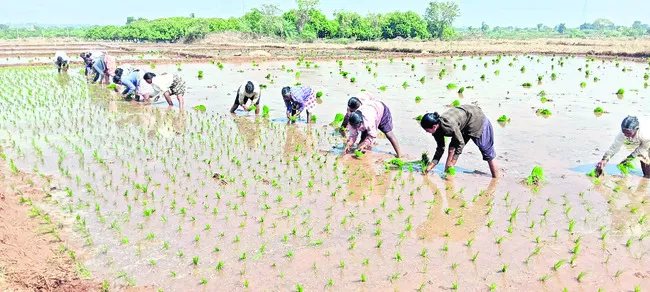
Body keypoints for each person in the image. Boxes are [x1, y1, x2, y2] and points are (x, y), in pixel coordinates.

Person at [420, 105, 499, 178]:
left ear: (434, 126)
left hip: (476, 118)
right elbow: (440, 147)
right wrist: (432, 165)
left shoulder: (449, 126)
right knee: (452, 148)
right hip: (463, 121)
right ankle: (447, 173)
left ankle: (495, 178)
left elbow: (461, 143)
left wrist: (454, 160)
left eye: (427, 130)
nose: (426, 132)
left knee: (486, 151)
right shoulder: (435, 129)